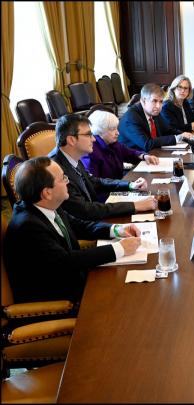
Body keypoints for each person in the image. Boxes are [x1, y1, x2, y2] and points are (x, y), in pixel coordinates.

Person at [3, 157, 142, 303]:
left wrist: (117, 229)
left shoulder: (45, 205)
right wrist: (119, 249)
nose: (68, 181)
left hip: (75, 278)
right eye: (63, 178)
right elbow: (66, 261)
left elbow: (80, 226)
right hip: (59, 300)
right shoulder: (28, 226)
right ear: (47, 193)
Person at [48, 114, 157, 221]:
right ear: (71, 140)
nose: (94, 139)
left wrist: (130, 185)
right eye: (88, 135)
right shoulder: (56, 170)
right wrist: (135, 205)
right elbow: (85, 210)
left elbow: (93, 182)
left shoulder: (71, 155)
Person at [83, 110, 160, 198]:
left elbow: (129, 153)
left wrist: (144, 156)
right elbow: (96, 185)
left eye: (116, 128)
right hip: (107, 196)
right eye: (113, 129)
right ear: (100, 131)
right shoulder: (90, 151)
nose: (118, 133)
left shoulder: (112, 143)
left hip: (119, 187)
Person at [118, 83, 194, 152]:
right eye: (154, 101)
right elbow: (147, 144)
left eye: (161, 101)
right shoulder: (131, 118)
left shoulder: (154, 112)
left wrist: (183, 135)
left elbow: (167, 130)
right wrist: (177, 138)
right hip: (134, 158)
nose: (158, 106)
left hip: (152, 153)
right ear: (143, 101)